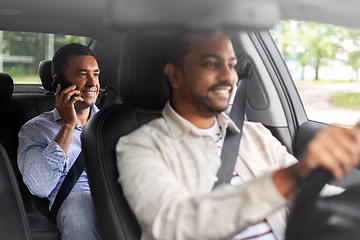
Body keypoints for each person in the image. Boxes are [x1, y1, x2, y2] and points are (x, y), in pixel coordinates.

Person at [116, 31, 360, 240]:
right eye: (211, 64)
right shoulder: (139, 147)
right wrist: (289, 177)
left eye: (232, 65)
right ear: (175, 75)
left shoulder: (256, 135)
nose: (228, 76)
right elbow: (176, 225)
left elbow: (310, 192)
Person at [18, 43, 100, 240]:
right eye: (82, 74)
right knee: (80, 205)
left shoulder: (112, 124)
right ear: (59, 82)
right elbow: (39, 187)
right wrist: (68, 126)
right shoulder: (36, 129)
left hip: (118, 205)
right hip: (76, 209)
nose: (92, 82)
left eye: (95, 74)